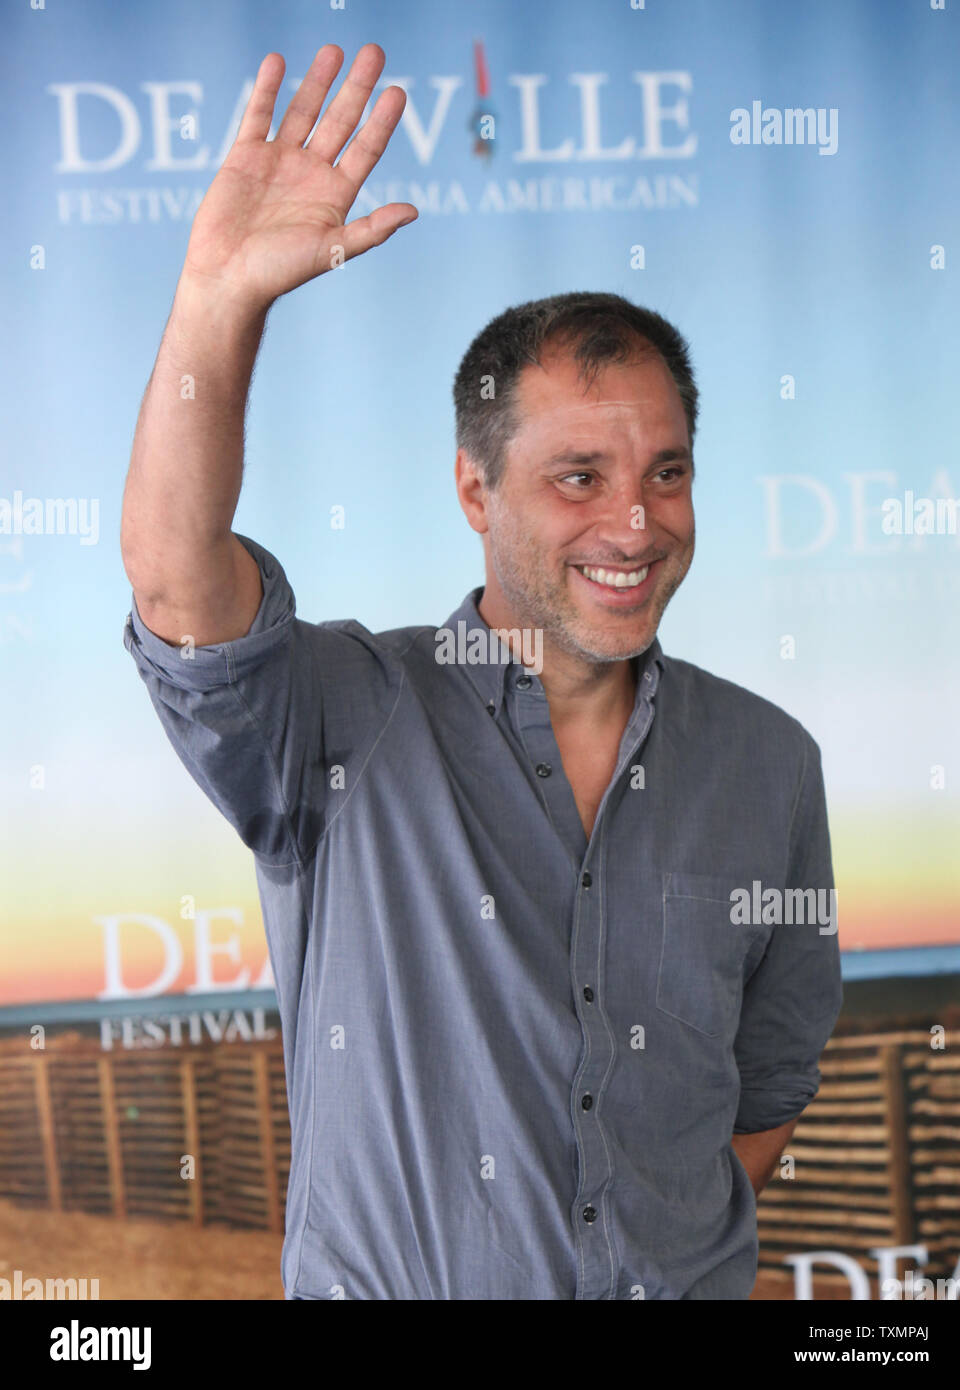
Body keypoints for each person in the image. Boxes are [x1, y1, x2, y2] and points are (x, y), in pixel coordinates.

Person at [121, 42, 842, 1300]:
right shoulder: (341, 708)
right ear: (473, 488)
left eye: (664, 471)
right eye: (581, 478)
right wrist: (216, 305)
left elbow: (766, 1086)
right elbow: (179, 585)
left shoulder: (770, 762)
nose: (636, 524)